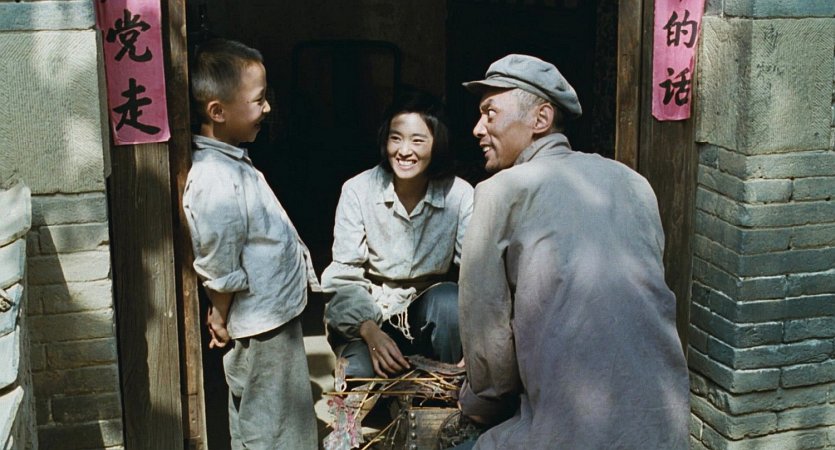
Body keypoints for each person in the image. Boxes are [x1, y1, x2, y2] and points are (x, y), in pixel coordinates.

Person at [454, 54, 690, 449]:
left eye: (490, 113)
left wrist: (477, 400)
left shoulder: (500, 191)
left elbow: (489, 357)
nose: (478, 128)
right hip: (664, 430)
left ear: (541, 119)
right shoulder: (633, 181)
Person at [182, 39, 318, 449]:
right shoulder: (214, 179)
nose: (267, 108)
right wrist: (220, 312)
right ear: (217, 112)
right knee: (275, 426)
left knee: (262, 416)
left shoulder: (230, 161)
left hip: (269, 313)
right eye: (258, 100)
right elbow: (219, 259)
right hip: (261, 322)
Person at [322, 91, 474, 379]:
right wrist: (370, 333)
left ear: (437, 143)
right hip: (371, 317)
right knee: (357, 375)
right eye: (396, 138)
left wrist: (477, 341)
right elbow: (344, 277)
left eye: (417, 140)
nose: (404, 151)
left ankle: (445, 388)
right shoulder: (358, 190)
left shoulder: (460, 195)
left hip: (430, 316)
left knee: (448, 300)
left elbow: (474, 273)